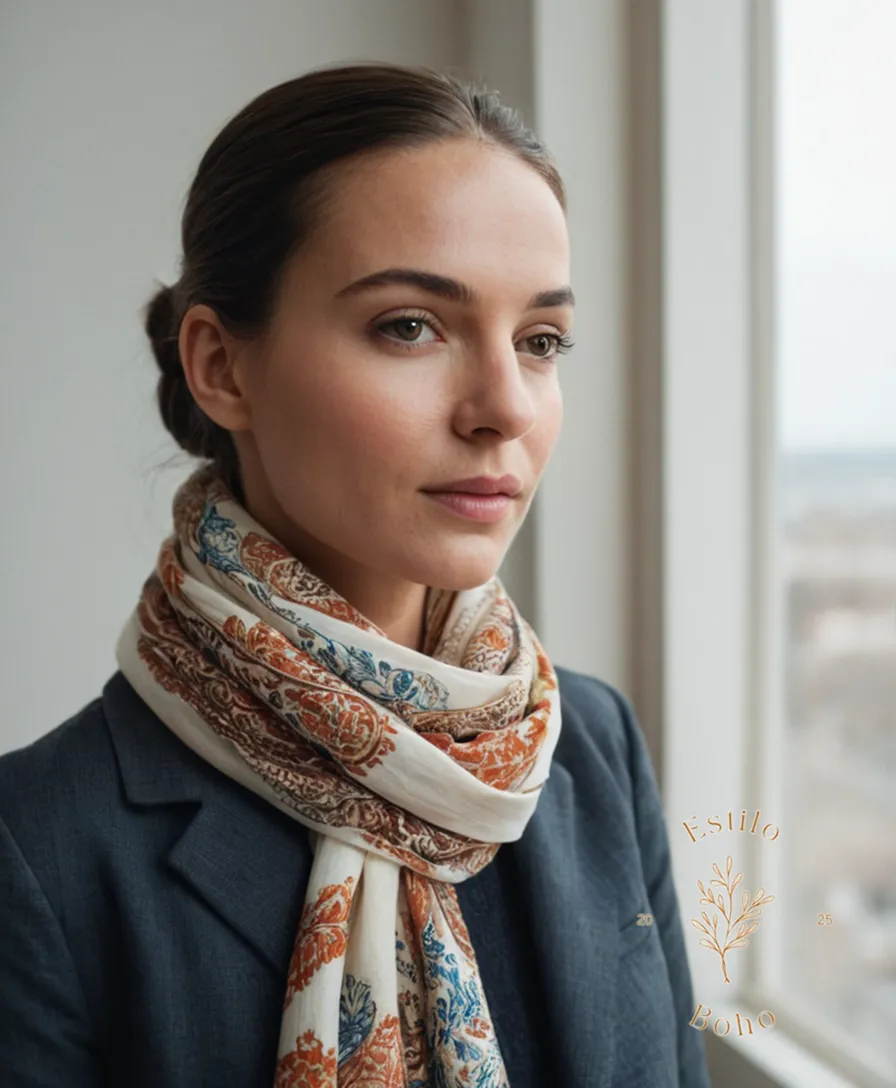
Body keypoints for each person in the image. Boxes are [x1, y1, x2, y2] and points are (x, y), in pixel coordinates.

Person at [0, 61, 711, 1088]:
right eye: (408, 326)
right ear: (221, 366)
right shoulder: (39, 848)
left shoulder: (589, 747)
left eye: (540, 339)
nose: (503, 406)